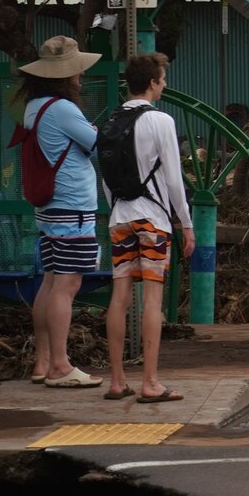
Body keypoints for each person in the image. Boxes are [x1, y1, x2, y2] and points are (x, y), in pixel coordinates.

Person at [102, 51, 194, 404]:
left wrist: (115, 209)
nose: (165, 84)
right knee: (152, 299)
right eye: (163, 79)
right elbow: (173, 179)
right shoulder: (160, 121)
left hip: (120, 217)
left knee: (120, 296)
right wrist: (186, 225)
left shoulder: (112, 120)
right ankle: (151, 382)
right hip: (153, 220)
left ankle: (116, 381)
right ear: (153, 83)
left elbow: (108, 177)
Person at [16, 36, 105, 388]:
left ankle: (42, 362)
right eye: (76, 70)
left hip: (50, 208)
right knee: (68, 285)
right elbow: (97, 143)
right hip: (72, 207)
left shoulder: (34, 106)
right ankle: (60, 366)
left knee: (51, 282)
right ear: (64, 75)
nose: (80, 76)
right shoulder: (63, 109)